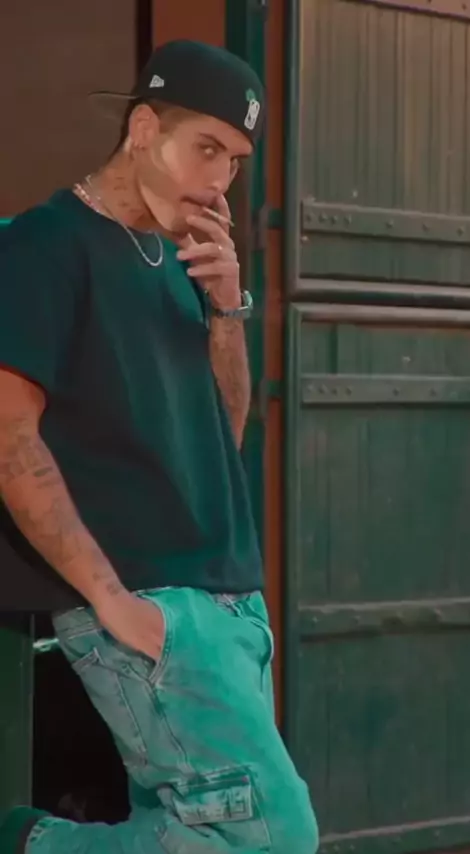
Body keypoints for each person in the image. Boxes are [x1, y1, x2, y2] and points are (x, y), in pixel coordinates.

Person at [0, 40, 319, 854]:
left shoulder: (184, 255)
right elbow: (9, 437)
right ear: (143, 129)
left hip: (231, 601)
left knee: (198, 833)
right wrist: (110, 600)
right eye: (205, 148)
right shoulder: (44, 245)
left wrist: (226, 309)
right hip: (148, 604)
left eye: (236, 160)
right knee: (272, 837)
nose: (219, 180)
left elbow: (222, 431)